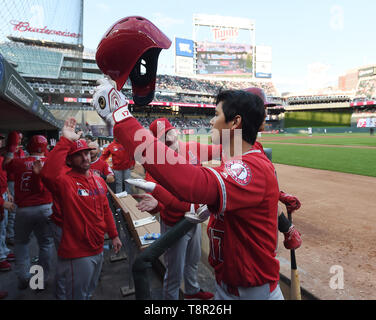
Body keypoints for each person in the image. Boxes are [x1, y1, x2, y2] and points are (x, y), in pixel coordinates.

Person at [94, 87, 284, 300]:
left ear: (235, 123)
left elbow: (191, 184)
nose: (211, 122)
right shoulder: (238, 161)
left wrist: (123, 118)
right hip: (230, 285)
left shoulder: (249, 167)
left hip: (250, 293)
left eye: (217, 115)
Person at [127, 117, 219, 300]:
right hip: (174, 225)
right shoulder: (157, 163)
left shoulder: (192, 148)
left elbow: (220, 151)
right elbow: (155, 197)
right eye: (161, 137)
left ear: (175, 131)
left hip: (194, 220)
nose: (168, 139)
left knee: (193, 262)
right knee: (174, 272)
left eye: (168, 132)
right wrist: (157, 204)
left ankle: (192, 291)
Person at [40, 118, 122, 300]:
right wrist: (65, 141)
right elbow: (47, 175)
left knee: (88, 291)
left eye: (86, 153)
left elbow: (106, 210)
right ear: (69, 159)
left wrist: (114, 234)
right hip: (77, 252)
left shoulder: (98, 179)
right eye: (79, 154)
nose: (85, 157)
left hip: (98, 247)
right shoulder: (65, 182)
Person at [244, 87, 302, 250]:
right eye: (263, 109)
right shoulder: (243, 151)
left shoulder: (252, 146)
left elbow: (260, 186)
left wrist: (279, 195)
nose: (266, 114)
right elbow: (258, 198)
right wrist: (287, 228)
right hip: (252, 243)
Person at [3, 135, 53, 289]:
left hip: (24, 210)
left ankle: (24, 276)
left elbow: (5, 164)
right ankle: (39, 281)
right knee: (45, 244)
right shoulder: (50, 163)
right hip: (45, 208)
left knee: (21, 243)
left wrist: (12, 148)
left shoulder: (18, 162)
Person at [0, 133, 16, 272]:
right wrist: (1, 202)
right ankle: (0, 258)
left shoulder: (0, 157)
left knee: (2, 226)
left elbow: (3, 178)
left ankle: (3, 252)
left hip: (3, 193)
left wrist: (8, 193)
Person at [6, 131, 25, 247]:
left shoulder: (21, 151)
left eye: (21, 138)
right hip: (10, 183)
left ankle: (14, 234)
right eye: (18, 138)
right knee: (12, 210)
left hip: (19, 182)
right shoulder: (8, 151)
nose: (19, 141)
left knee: (18, 210)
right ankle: (10, 236)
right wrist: (12, 152)